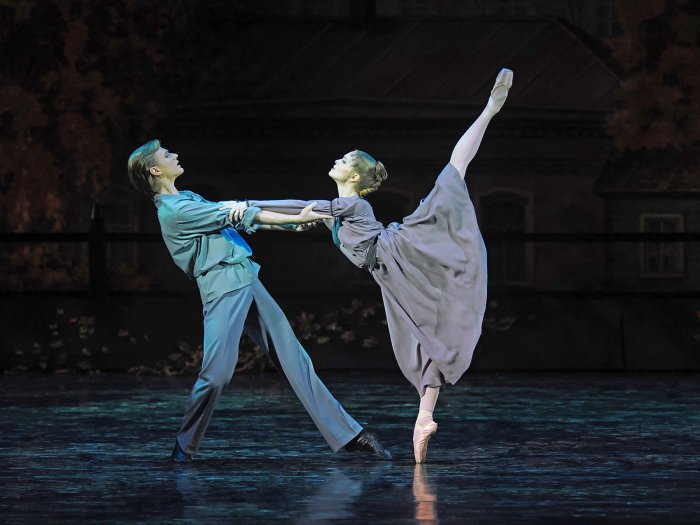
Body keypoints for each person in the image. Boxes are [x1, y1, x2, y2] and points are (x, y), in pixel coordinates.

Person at [221, 68, 513, 463]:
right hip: (388, 272)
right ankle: (424, 418)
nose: (337, 160)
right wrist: (255, 217)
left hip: (398, 253)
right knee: (419, 338)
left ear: (355, 175)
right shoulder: (340, 212)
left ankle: (489, 110)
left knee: (452, 176)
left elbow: (299, 207)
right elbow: (298, 217)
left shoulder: (353, 205)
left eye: (344, 160)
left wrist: (242, 206)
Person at [127, 139, 392, 462]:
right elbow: (239, 214)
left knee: (294, 357)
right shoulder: (175, 211)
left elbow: (243, 212)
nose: (175, 155)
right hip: (223, 286)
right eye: (167, 155)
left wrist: (295, 219)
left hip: (245, 276)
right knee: (217, 374)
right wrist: (295, 219)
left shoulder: (188, 197)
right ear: (155, 170)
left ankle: (350, 434)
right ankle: (185, 446)